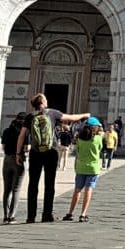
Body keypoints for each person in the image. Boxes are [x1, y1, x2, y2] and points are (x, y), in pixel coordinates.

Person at [23, 92, 89, 223]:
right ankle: (47, 214)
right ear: (42, 102)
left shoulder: (30, 116)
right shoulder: (52, 113)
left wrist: (18, 154)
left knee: (33, 184)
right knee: (49, 184)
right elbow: (70, 118)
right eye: (45, 99)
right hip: (50, 151)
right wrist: (84, 115)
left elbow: (22, 135)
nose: (47, 101)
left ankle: (31, 216)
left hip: (35, 153)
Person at [63, 117, 104, 222]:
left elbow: (78, 152)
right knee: (88, 190)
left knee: (77, 190)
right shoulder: (98, 139)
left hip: (81, 167)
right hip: (93, 168)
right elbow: (99, 150)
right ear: (95, 128)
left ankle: (70, 213)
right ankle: (83, 214)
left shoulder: (80, 140)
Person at [0, 110, 30, 222]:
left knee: (6, 190)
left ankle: (5, 215)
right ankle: (12, 216)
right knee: (16, 189)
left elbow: (3, 146)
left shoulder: (7, 131)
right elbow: (27, 148)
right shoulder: (25, 132)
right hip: (20, 159)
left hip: (7, 159)